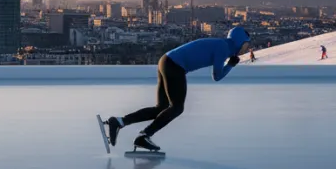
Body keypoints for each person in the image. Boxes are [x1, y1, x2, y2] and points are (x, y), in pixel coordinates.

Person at [103, 27, 251, 152]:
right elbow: (217, 76)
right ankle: (144, 136)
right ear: (239, 41)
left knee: (161, 108)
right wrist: (231, 65)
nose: (248, 48)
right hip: (175, 66)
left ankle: (119, 122)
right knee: (177, 107)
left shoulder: (222, 44)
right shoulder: (224, 48)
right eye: (246, 44)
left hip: (166, 61)